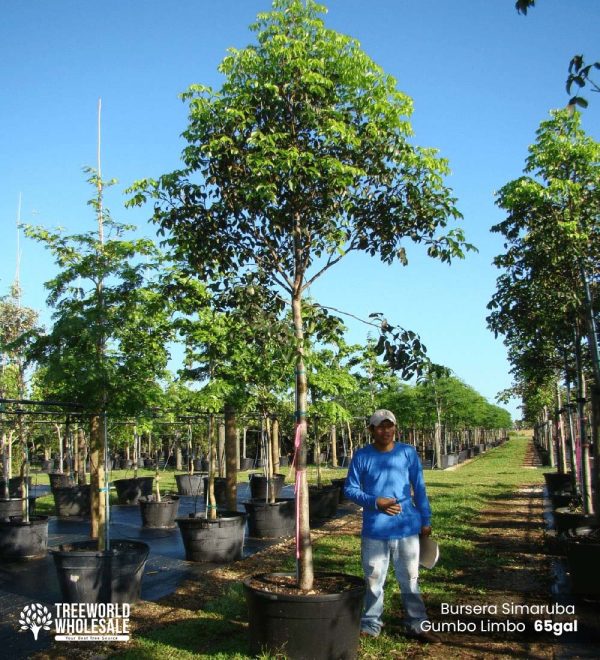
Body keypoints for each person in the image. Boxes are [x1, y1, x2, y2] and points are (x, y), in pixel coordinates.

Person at [344, 409, 440, 643]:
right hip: (376, 529)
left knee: (410, 576)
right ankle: (371, 623)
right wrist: (376, 502)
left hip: (407, 527)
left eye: (390, 426)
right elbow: (350, 489)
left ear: (395, 428)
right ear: (371, 430)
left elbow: (419, 486)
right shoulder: (362, 456)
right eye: (380, 426)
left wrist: (425, 520)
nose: (385, 430)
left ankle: (417, 623)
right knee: (374, 577)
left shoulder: (407, 453)